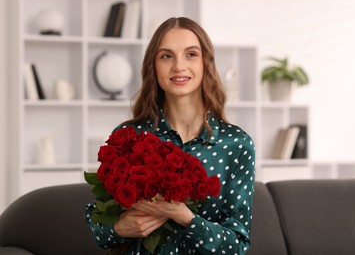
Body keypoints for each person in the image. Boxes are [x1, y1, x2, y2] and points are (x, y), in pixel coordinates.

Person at [85, 17, 256, 254]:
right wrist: (120, 228)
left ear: (205, 62)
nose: (178, 66)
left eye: (191, 54)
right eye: (166, 56)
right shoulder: (128, 137)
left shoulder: (237, 144)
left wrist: (185, 218)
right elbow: (97, 226)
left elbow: (237, 245)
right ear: (153, 66)